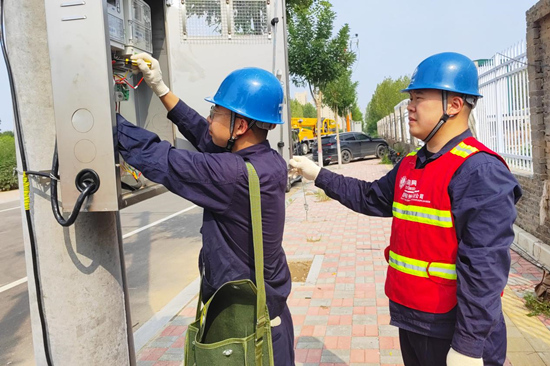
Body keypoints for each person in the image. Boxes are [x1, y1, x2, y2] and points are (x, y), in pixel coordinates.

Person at [290, 52, 522, 366]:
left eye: (419, 98)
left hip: (453, 329)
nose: (409, 107)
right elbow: (369, 197)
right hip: (413, 319)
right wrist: (319, 174)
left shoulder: (479, 171)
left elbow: (485, 269)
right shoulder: (411, 165)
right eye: (410, 98)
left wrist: (468, 347)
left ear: (453, 105)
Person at [117, 53, 295, 365]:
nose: (209, 118)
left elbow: (161, 159)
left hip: (247, 331)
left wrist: (101, 118)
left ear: (239, 126)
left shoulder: (232, 174)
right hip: (269, 321)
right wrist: (160, 89)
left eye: (215, 111)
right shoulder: (267, 162)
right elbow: (207, 135)